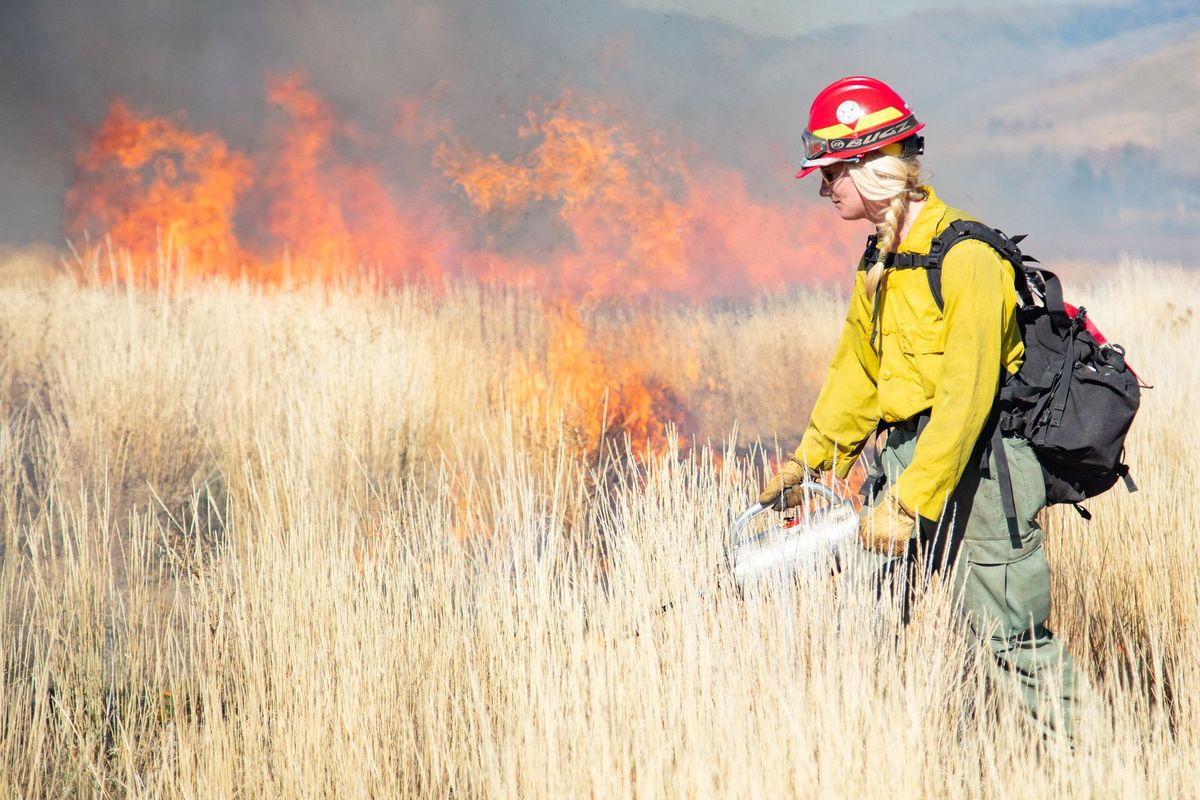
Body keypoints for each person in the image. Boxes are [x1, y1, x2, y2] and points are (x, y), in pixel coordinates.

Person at [757, 76, 1080, 739]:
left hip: (981, 471)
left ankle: (1096, 772)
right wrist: (809, 462)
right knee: (872, 618)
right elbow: (857, 373)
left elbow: (966, 400)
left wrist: (908, 502)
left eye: (830, 174)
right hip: (906, 460)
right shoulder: (881, 257)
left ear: (869, 166)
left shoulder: (967, 256)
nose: (825, 191)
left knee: (1010, 640)